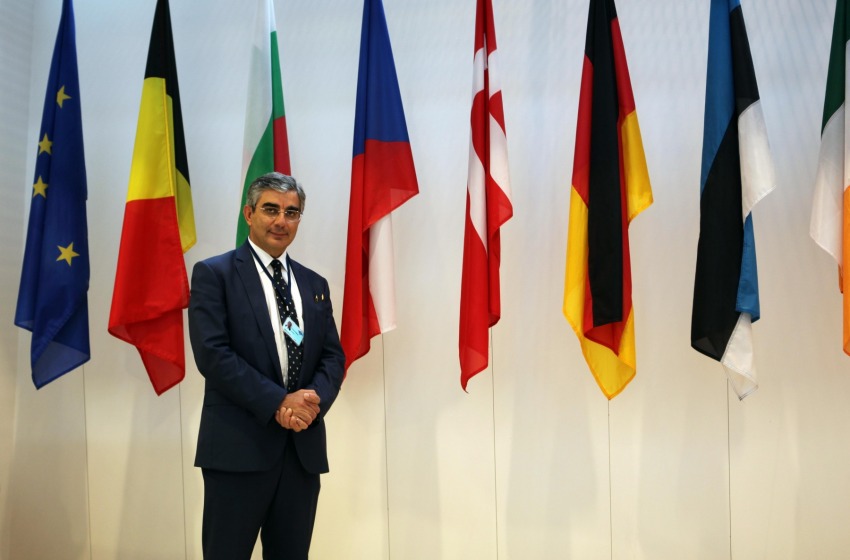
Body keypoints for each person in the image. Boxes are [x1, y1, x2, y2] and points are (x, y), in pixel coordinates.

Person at [188, 172, 345, 559]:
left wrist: (310, 404)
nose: (281, 221)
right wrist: (278, 402)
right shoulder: (215, 275)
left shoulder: (314, 284)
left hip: (301, 453)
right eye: (271, 209)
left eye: (291, 212)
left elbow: (332, 356)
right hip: (238, 451)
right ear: (249, 214)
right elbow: (213, 354)